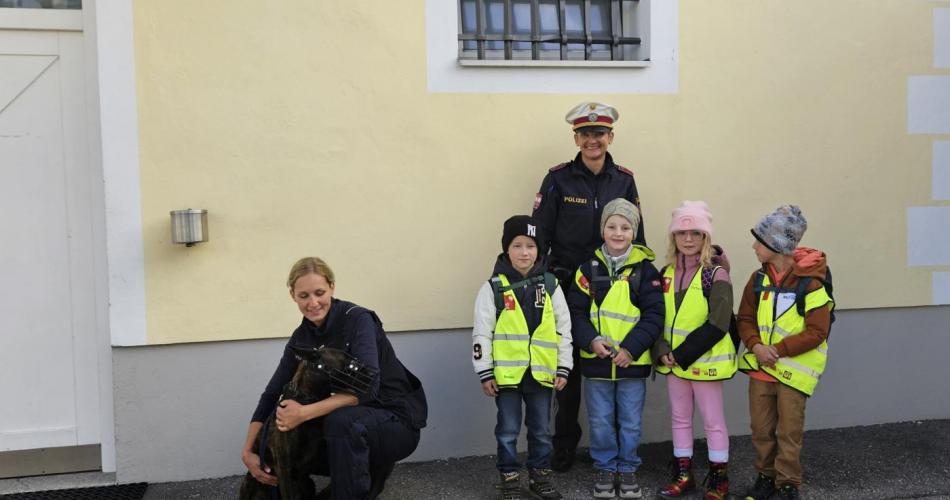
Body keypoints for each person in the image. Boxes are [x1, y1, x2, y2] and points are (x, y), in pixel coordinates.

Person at [241, 257, 428, 500]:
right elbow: (271, 394)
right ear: (293, 296)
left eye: (319, 292)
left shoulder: (357, 319)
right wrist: (248, 452)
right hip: (349, 425)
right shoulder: (301, 337)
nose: (313, 302)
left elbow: (368, 389)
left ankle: (362, 478)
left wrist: (304, 413)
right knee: (293, 418)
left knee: (339, 420)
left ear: (332, 287)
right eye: (304, 296)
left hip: (395, 421)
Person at [532, 101, 646, 472]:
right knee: (570, 368)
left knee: (609, 361)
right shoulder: (558, 178)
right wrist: (540, 281)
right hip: (568, 284)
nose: (592, 140)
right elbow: (541, 233)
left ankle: (613, 447)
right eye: (585, 133)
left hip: (614, 285)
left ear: (610, 136)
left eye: (599, 133)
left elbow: (636, 234)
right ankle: (565, 443)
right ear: (576, 138)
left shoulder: (624, 180)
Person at [472, 215, 573, 500]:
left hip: (542, 374)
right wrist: (486, 371)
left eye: (531, 245)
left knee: (541, 431)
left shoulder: (551, 286)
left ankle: (540, 478)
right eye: (517, 245)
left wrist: (564, 367)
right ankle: (509, 480)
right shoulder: (493, 288)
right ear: (507, 250)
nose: (524, 252)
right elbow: (482, 333)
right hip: (506, 378)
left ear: (539, 250)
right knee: (507, 430)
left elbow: (563, 330)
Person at [567, 198, 663, 499]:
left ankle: (627, 468)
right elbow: (576, 312)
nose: (618, 232)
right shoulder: (587, 270)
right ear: (603, 229)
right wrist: (592, 341)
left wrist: (631, 350)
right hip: (596, 363)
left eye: (625, 227)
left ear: (634, 232)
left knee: (631, 421)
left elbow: (654, 315)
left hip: (630, 364)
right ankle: (606, 468)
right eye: (611, 226)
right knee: (600, 421)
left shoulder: (646, 272)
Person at [735, 205, 833, 500]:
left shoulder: (811, 283)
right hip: (761, 369)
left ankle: (788, 484)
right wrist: (756, 346)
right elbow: (745, 319)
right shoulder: (757, 280)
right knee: (761, 429)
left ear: (777, 246)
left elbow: (817, 331)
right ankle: (766, 478)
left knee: (788, 432)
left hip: (792, 372)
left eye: (759, 241)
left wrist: (775, 350)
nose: (754, 246)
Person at [652, 201, 738, 500]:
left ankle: (719, 479)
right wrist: (662, 349)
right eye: (681, 232)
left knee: (713, 421)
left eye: (696, 233)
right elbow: (655, 318)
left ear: (706, 237)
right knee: (680, 418)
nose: (688, 239)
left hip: (704, 362)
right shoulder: (663, 274)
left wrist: (680, 354)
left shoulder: (715, 275)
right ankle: (684, 474)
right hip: (673, 362)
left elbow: (718, 323)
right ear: (673, 237)